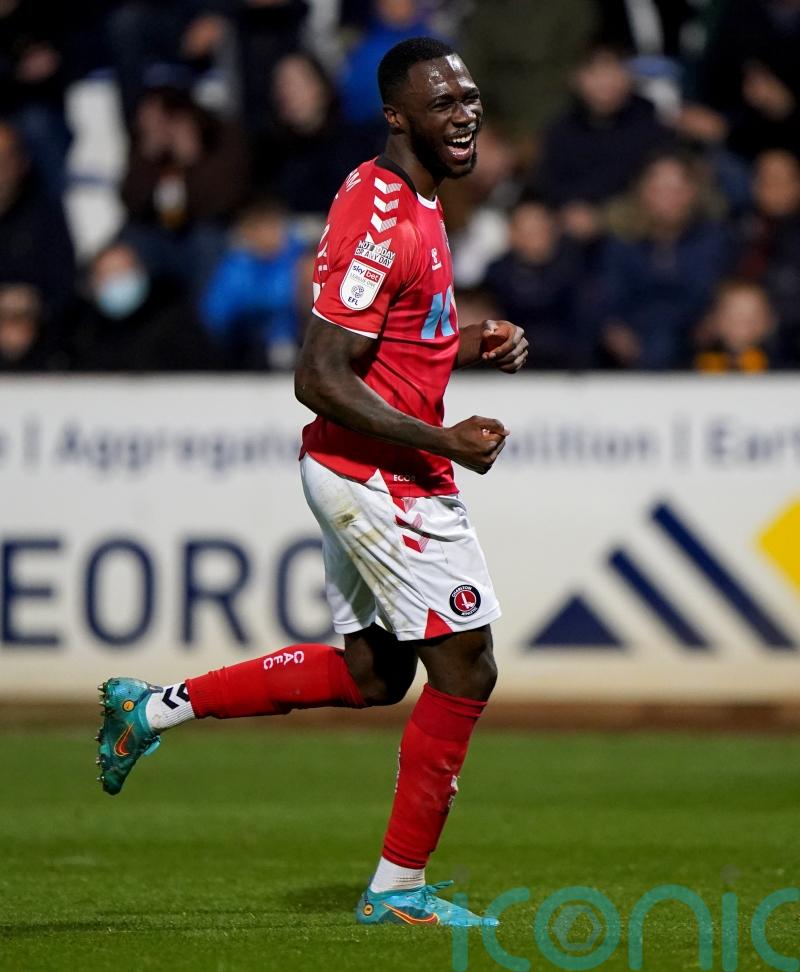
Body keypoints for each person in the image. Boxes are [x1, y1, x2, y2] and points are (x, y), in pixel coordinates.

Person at [96, 36, 528, 929]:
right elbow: (321, 374)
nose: (465, 113)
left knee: (376, 676)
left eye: (470, 96)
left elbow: (393, 332)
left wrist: (468, 335)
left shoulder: (413, 196)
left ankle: (153, 710)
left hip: (357, 466)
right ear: (397, 117)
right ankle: (397, 891)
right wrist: (442, 435)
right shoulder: (383, 214)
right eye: (442, 103)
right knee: (468, 667)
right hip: (381, 475)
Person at [68, 241, 214, 371]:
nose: (119, 281)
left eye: (124, 272)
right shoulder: (82, 333)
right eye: (110, 275)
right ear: (93, 284)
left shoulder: (174, 323)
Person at [201, 198, 307, 369]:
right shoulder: (236, 265)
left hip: (297, 343)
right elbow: (215, 314)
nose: (270, 235)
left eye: (274, 227)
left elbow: (302, 299)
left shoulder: (301, 258)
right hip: (246, 347)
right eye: (262, 229)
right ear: (248, 232)